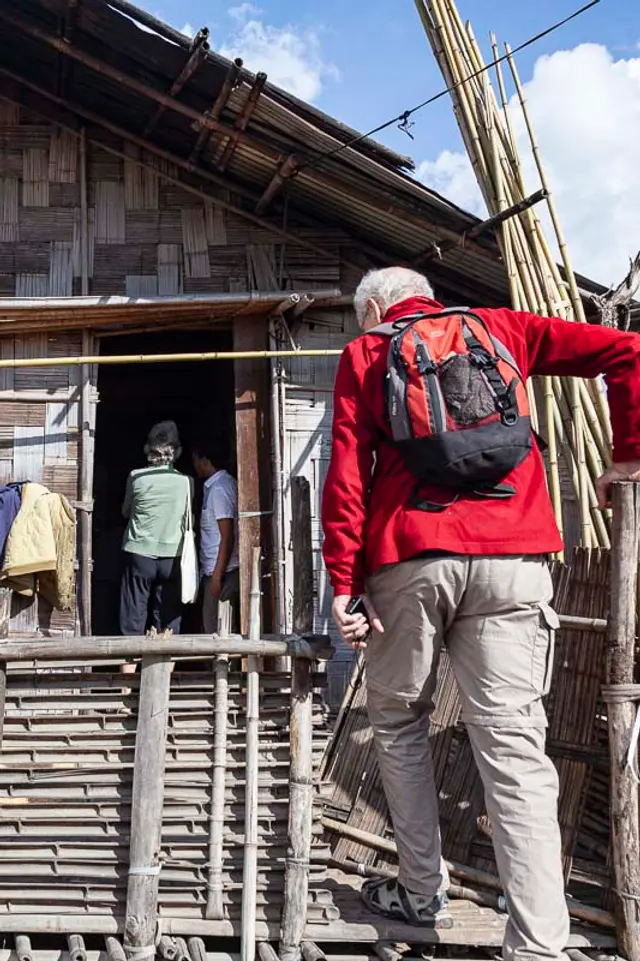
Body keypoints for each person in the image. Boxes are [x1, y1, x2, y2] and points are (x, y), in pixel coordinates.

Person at [321, 266, 640, 958]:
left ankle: (418, 887)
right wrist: (629, 457)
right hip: (515, 554)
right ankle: (539, 944)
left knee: (397, 718)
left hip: (410, 555)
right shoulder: (504, 327)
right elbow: (628, 352)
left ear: (374, 308)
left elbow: (347, 474)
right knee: (516, 748)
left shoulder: (369, 352)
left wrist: (345, 582)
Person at [120, 421, 192, 646]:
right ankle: (165, 679)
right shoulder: (186, 482)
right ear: (177, 452)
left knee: (133, 617)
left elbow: (125, 512)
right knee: (168, 620)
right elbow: (189, 519)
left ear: (147, 451)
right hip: (172, 557)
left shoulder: (136, 477)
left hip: (139, 555)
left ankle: (126, 680)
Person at [192, 439, 239, 634]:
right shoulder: (220, 485)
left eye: (195, 459)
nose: (194, 464)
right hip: (219, 570)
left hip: (222, 572)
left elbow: (226, 537)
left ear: (205, 460)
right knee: (219, 629)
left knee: (216, 631)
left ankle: (222, 666)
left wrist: (217, 577)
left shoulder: (219, 489)